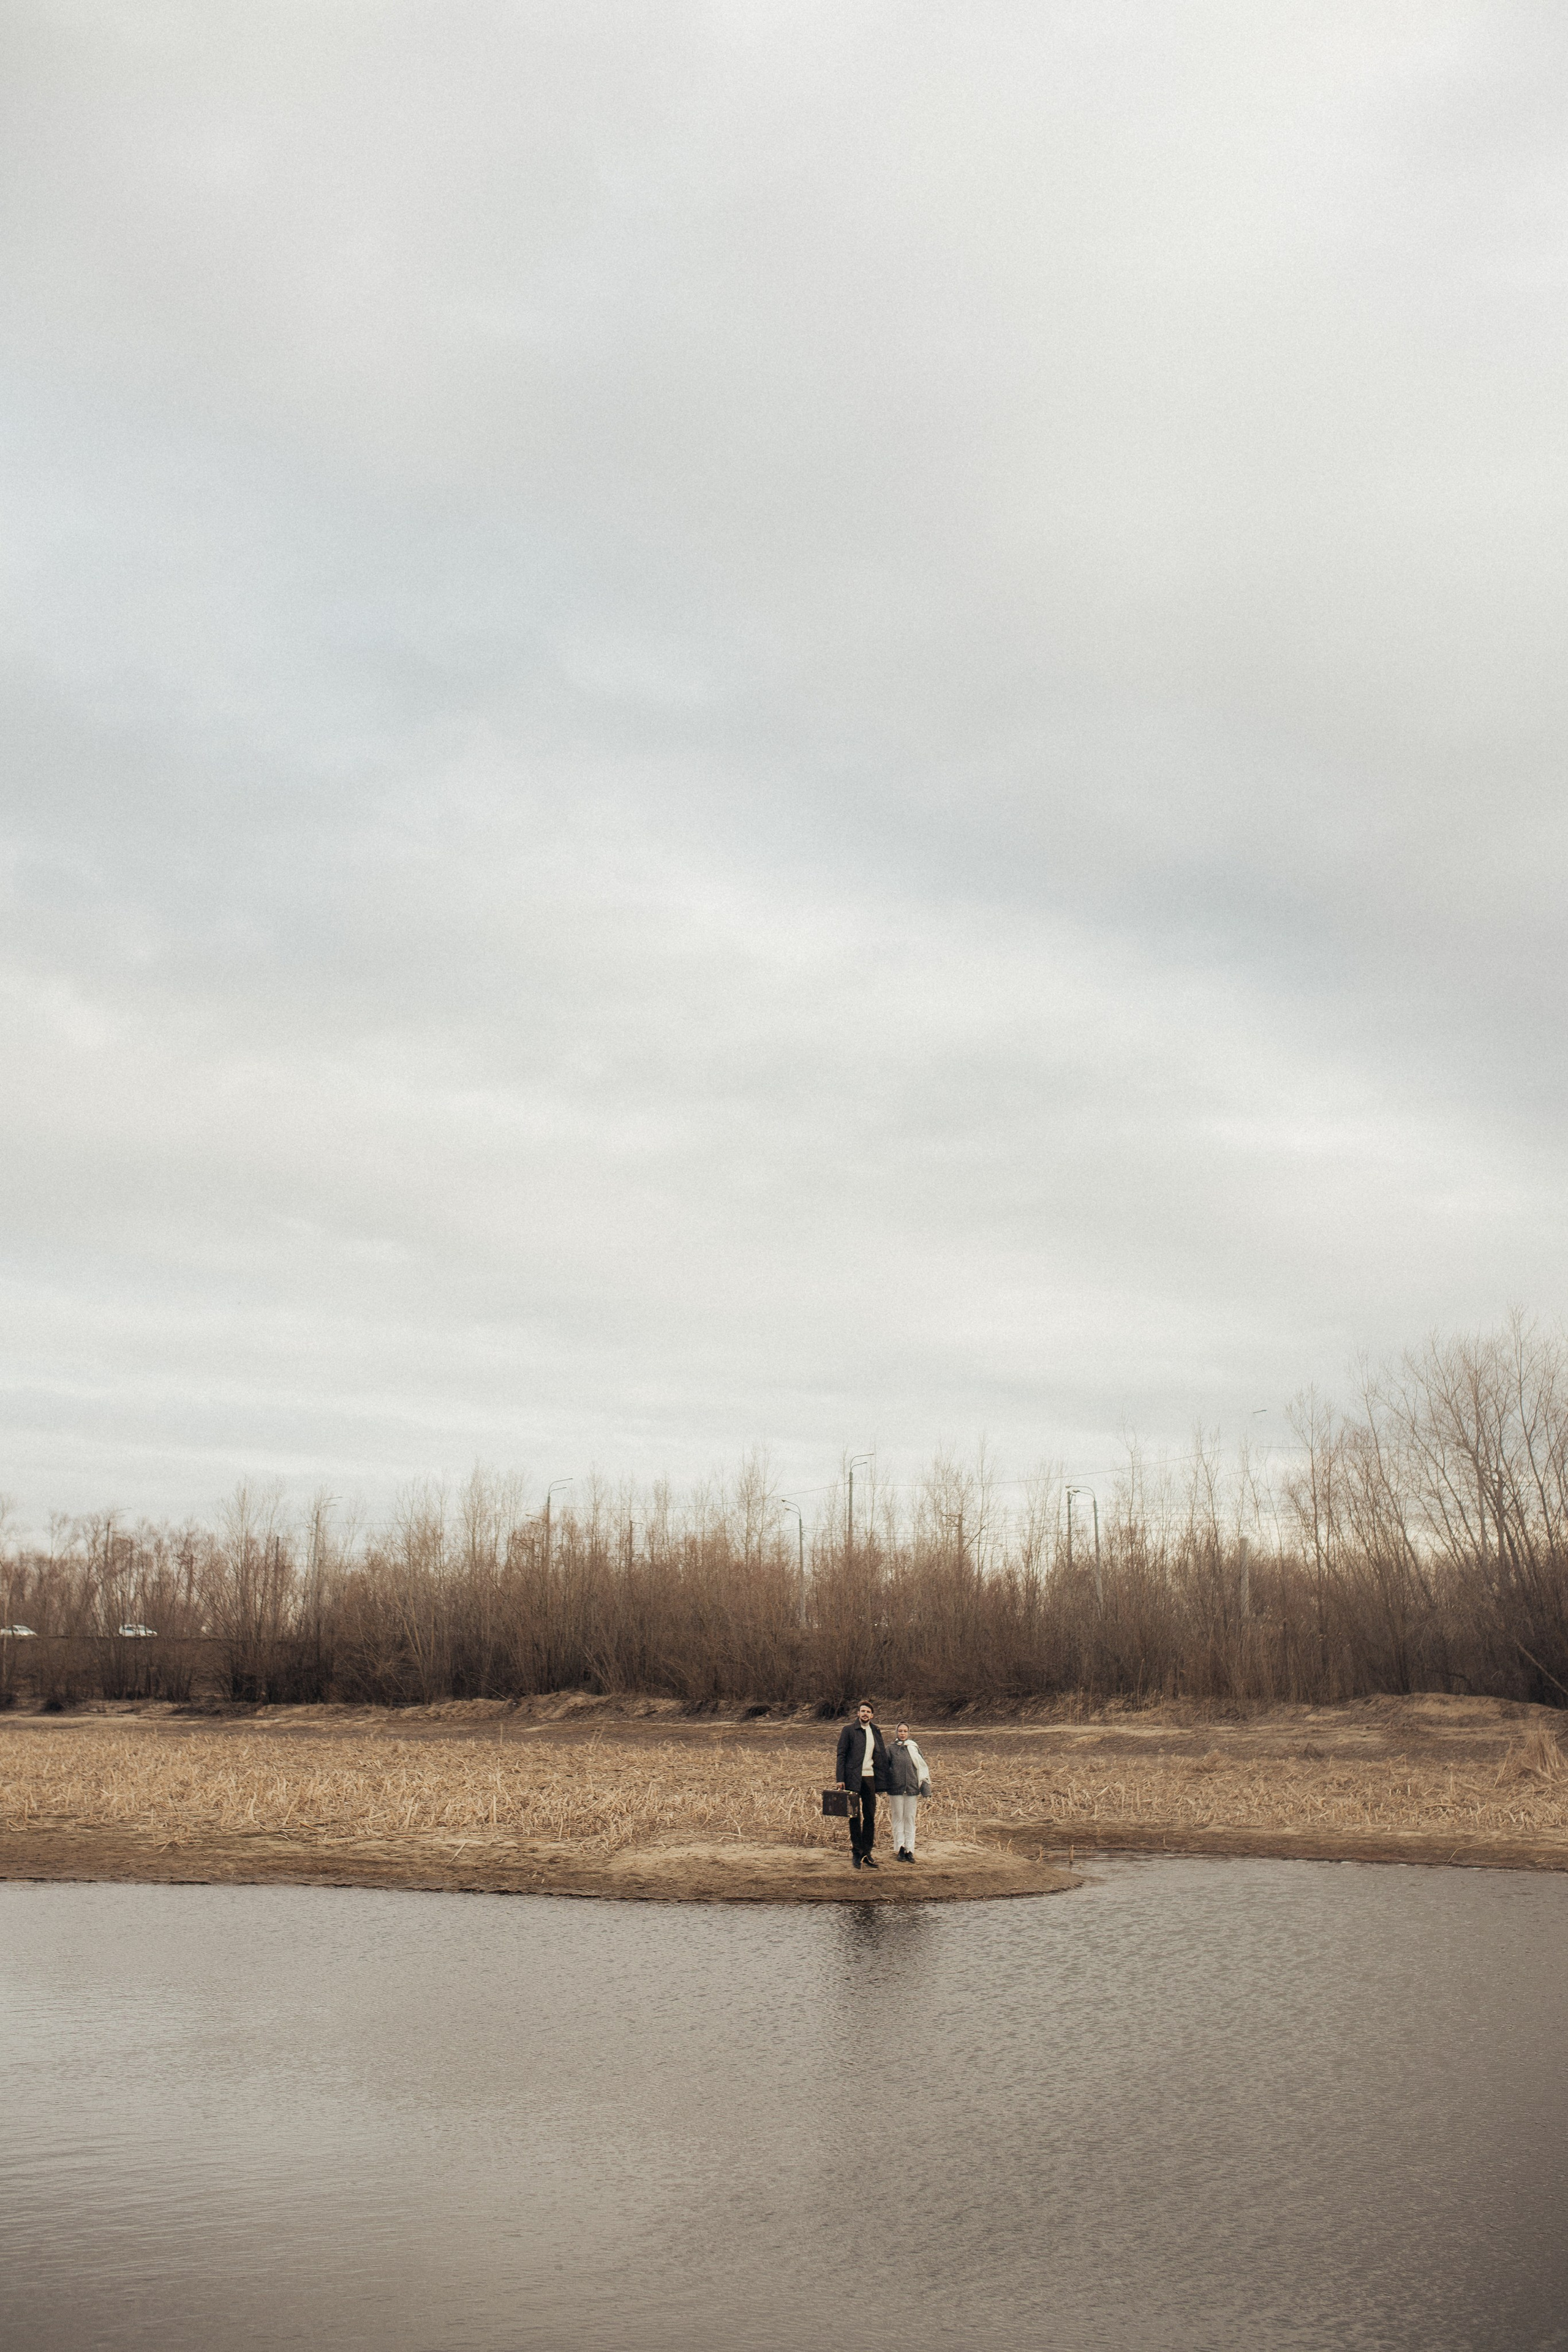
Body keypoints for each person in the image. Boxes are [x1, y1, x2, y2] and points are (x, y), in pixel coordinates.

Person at [834, 1700, 890, 1868]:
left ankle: (867, 1853)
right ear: (858, 1714)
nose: (865, 1714)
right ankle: (856, 1853)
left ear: (872, 1716)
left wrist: (885, 1780)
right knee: (854, 1816)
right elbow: (841, 1755)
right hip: (852, 1778)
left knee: (870, 1816)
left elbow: (881, 1758)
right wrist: (840, 1778)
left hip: (870, 1778)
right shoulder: (849, 1731)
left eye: (868, 1712)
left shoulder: (876, 1731)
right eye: (862, 1711)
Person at [886, 1724, 932, 1861]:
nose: (903, 1733)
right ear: (896, 1732)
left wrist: (926, 1790)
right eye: (900, 1731)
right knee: (898, 1818)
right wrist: (884, 1786)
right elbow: (883, 1769)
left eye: (905, 1731)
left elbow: (923, 1769)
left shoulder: (914, 1748)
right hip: (896, 1790)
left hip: (912, 1789)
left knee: (910, 1819)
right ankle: (900, 1848)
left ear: (909, 1733)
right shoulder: (890, 1749)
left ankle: (910, 1850)